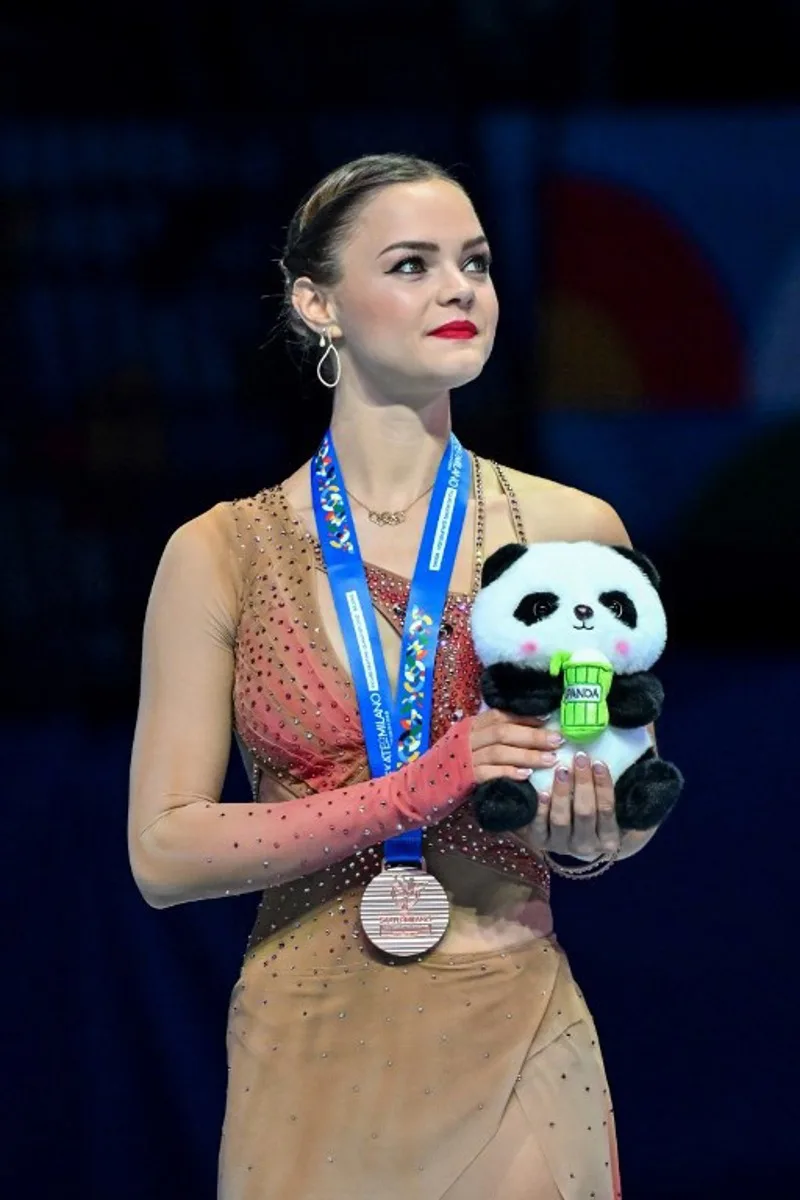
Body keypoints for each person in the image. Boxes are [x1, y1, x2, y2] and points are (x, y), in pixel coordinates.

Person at [128, 153, 664, 1199]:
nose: (458, 288)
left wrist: (595, 831)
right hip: (310, 1041)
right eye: (411, 265)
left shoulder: (571, 530)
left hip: (512, 1014)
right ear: (316, 301)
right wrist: (418, 787)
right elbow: (162, 852)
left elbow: (614, 789)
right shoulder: (219, 551)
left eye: (474, 261)